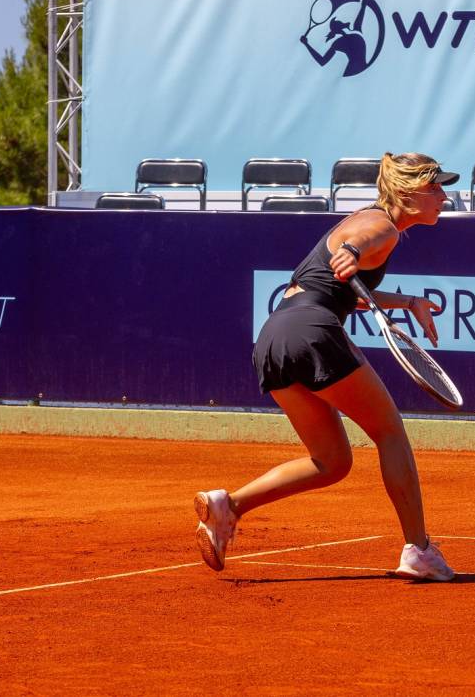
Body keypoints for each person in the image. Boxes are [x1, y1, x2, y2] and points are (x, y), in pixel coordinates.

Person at [194, 152, 458, 581]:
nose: (444, 197)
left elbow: (341, 285)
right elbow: (363, 240)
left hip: (275, 335)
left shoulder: (372, 220)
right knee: (390, 431)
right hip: (313, 329)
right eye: (435, 188)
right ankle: (419, 550)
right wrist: (353, 251)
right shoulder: (382, 226)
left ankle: (230, 505)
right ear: (409, 193)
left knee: (332, 461)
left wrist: (408, 302)